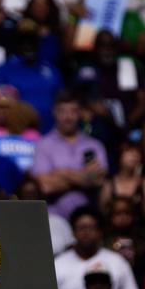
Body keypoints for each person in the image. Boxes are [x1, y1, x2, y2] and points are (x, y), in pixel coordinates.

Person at [53, 205, 139, 289]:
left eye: (91, 227)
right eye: (82, 227)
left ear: (100, 232)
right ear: (73, 232)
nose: (86, 232)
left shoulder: (117, 262)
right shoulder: (57, 265)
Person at [31, 91, 108, 219]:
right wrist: (85, 178)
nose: (68, 117)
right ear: (55, 113)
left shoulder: (94, 145)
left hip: (88, 218)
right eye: (63, 111)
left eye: (73, 111)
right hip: (54, 217)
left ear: (80, 113)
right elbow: (46, 186)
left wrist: (62, 173)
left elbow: (99, 180)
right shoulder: (43, 145)